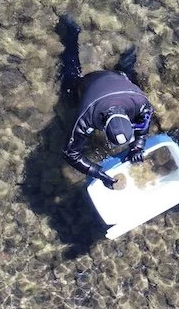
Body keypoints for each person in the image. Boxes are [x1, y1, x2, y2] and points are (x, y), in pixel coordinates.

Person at [56, 15, 153, 189]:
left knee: (127, 74)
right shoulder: (86, 117)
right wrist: (98, 173)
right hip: (89, 82)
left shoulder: (141, 103)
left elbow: (145, 120)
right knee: (69, 86)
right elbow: (70, 153)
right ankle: (72, 35)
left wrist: (138, 145)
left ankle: (131, 46)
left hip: (117, 82)